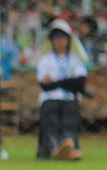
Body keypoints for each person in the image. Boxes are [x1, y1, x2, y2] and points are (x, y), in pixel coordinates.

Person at [36, 19, 89, 161]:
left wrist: (55, 82)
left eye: (63, 37)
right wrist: (68, 82)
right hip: (50, 98)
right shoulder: (45, 60)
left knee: (70, 121)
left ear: (69, 39)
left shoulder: (75, 59)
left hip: (70, 99)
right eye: (56, 37)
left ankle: (68, 146)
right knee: (52, 119)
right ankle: (55, 149)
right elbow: (45, 86)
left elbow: (80, 83)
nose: (59, 41)